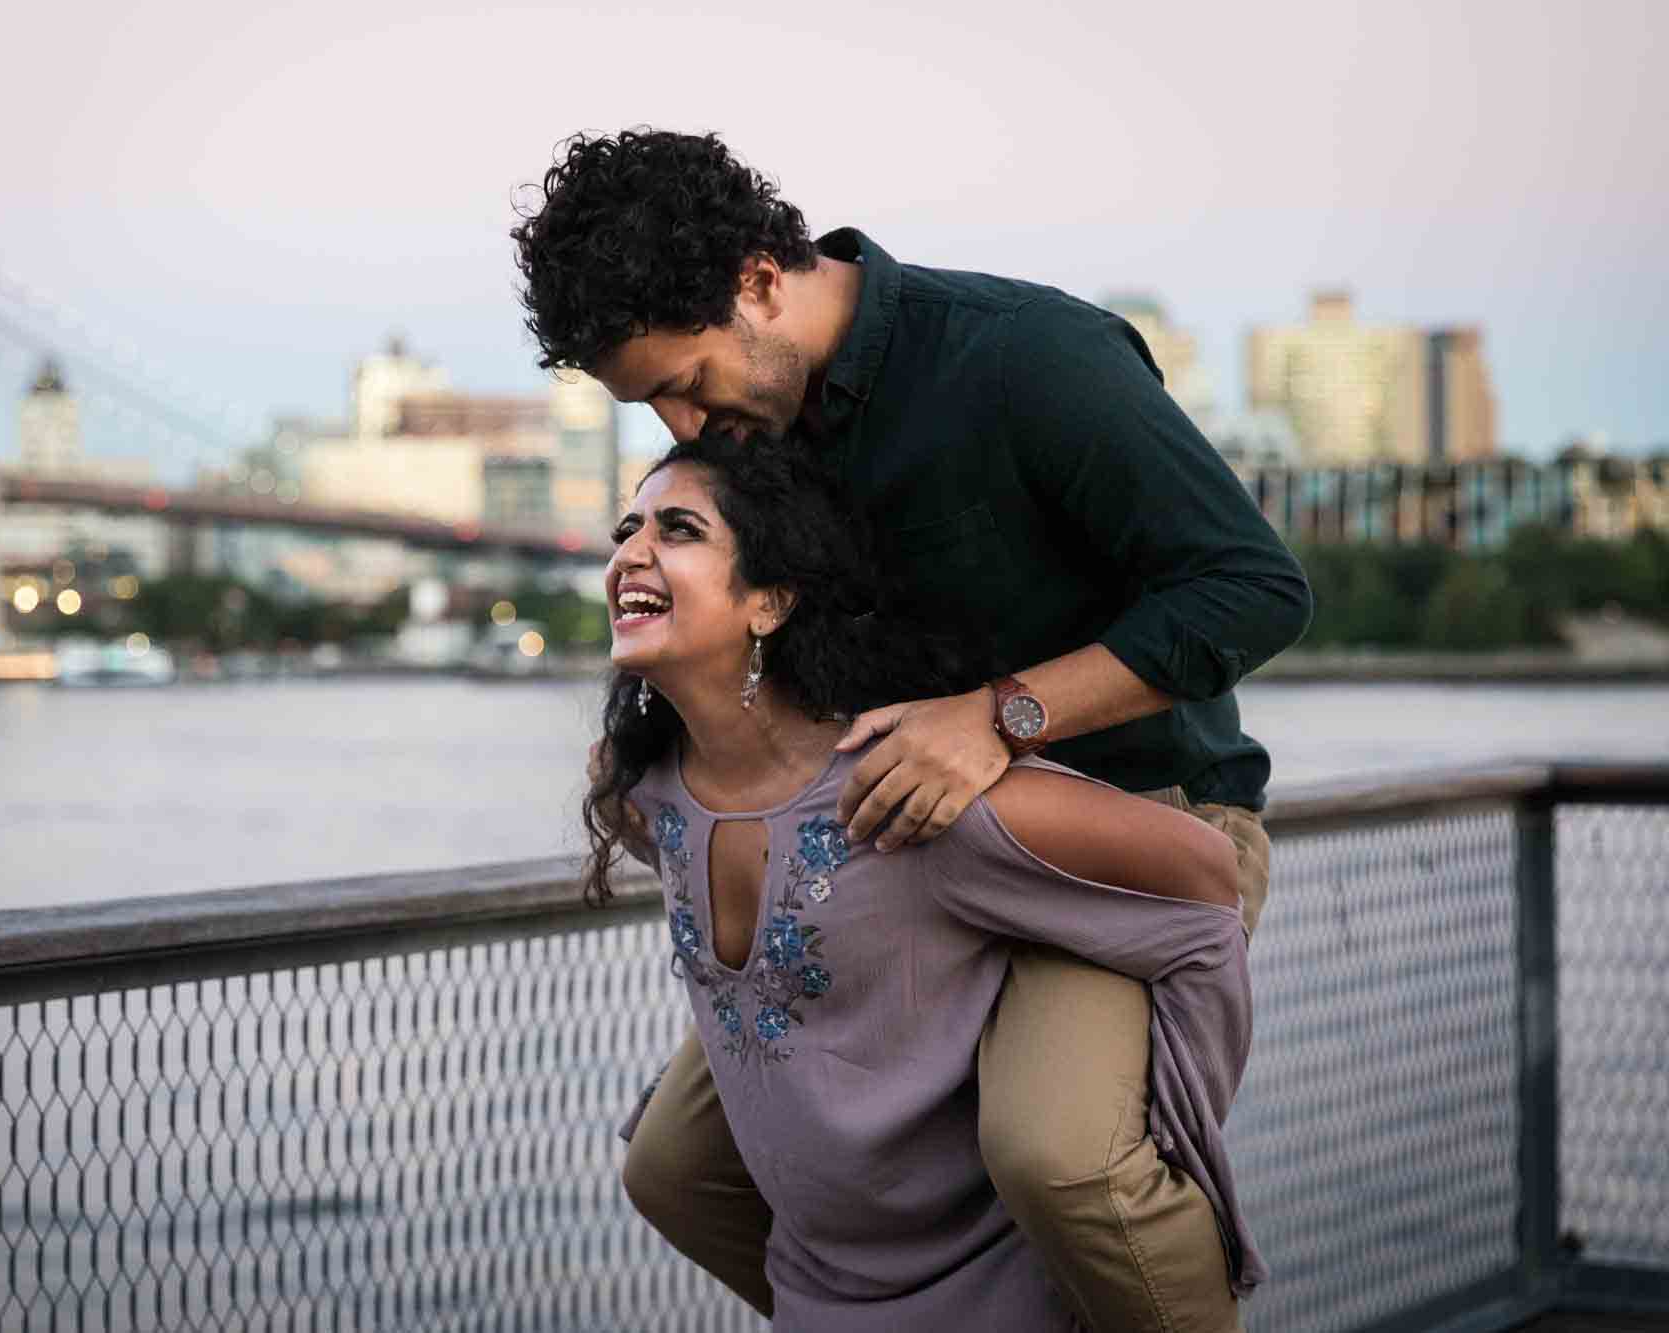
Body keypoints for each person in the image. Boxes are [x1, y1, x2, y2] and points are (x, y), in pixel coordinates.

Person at [516, 130, 1308, 1328]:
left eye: (685, 379)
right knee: (677, 1169)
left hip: (1126, 832)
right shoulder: (748, 435)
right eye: (648, 403)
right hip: (893, 850)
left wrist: (1002, 719)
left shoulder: (1025, 358)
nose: (680, 422)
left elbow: (1252, 588)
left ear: (757, 278)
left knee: (1059, 1158)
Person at [587, 435, 1259, 1330]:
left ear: (770, 601)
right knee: (661, 1166)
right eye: (627, 527)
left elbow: (1208, 884)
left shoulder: (905, 793)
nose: (631, 550)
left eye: (677, 529)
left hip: (1001, 1296)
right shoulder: (647, 793)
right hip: (819, 1297)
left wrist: (1159, 1126)